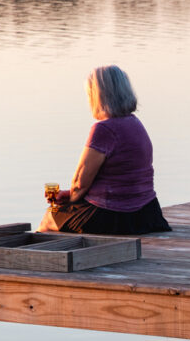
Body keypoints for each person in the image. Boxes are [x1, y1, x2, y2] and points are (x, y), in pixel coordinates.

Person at [38, 65, 171, 235]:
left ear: (98, 96)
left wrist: (70, 201)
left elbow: (80, 183)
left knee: (51, 216)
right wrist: (71, 195)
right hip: (147, 213)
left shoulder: (104, 130)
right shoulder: (135, 123)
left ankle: (33, 259)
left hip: (113, 216)